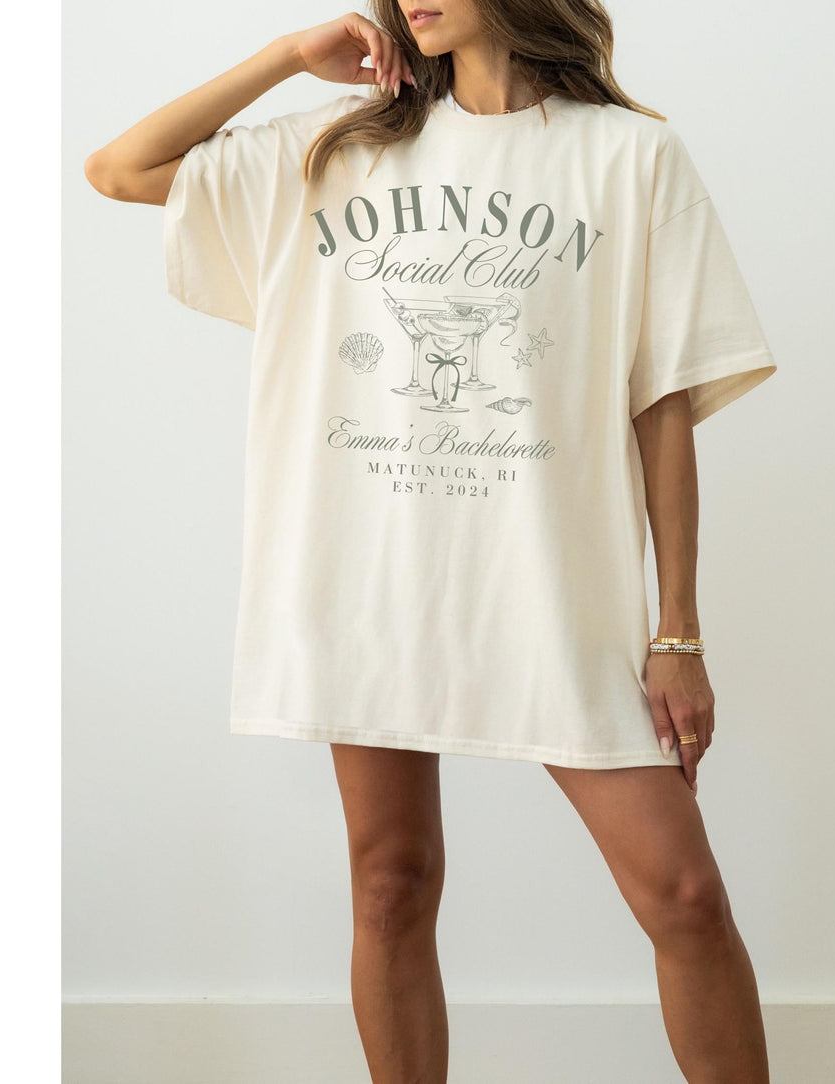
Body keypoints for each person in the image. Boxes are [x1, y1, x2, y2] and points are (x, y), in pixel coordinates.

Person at [86, 2, 779, 1080]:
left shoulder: (628, 157)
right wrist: (286, 58)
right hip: (366, 580)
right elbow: (120, 170)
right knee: (389, 883)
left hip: (547, 589)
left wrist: (676, 630)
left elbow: (664, 401)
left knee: (685, 896)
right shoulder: (338, 149)